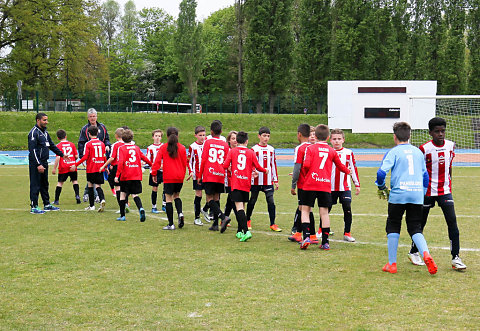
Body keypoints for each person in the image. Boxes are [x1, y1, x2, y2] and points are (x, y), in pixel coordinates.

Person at [376, 122, 437, 275]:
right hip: (416, 193)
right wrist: (421, 192)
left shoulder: (393, 152)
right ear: (409, 136)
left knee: (393, 225)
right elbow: (425, 176)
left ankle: (392, 264)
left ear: (394, 136)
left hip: (398, 194)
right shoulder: (417, 152)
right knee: (415, 227)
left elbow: (381, 173)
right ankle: (426, 254)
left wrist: (382, 187)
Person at [408, 117, 467, 270]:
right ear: (430, 133)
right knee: (421, 222)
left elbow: (449, 166)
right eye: (437, 131)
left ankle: (456, 258)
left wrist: (450, 184)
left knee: (452, 222)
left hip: (445, 191)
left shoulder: (450, 146)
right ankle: (414, 251)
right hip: (427, 191)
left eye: (442, 131)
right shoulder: (424, 149)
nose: (440, 134)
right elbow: (419, 170)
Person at [298, 124, 351, 250]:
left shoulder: (310, 149)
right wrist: (347, 171)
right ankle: (325, 242)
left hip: (310, 184)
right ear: (328, 137)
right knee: (324, 213)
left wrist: (307, 175)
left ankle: (306, 237)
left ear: (315, 136)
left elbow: (305, 165)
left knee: (305, 210)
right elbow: (340, 165)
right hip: (325, 185)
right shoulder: (332, 151)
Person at [222, 131, 268, 241]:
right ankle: (239, 231)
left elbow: (224, 165)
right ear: (247, 141)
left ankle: (246, 231)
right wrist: (265, 170)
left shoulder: (233, 151)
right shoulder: (250, 152)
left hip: (236, 183)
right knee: (242, 207)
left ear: (237, 141)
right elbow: (258, 167)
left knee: (239, 208)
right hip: (246, 183)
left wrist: (229, 167)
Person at [28, 113, 68, 214]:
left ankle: (47, 204)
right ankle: (34, 206)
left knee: (44, 184)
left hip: (44, 163)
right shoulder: (33, 133)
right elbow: (32, 151)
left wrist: (62, 154)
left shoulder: (45, 133)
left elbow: (52, 145)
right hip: (36, 164)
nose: (46, 122)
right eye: (44, 120)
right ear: (38, 120)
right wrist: (38, 164)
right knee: (35, 185)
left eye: (47, 120)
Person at [246, 126, 281, 232]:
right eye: (264, 136)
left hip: (268, 181)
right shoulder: (254, 149)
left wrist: (276, 180)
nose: (266, 138)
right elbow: (250, 164)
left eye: (268, 136)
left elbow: (273, 165)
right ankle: (248, 220)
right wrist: (253, 172)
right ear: (259, 136)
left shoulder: (271, 149)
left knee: (271, 201)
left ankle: (272, 223)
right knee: (252, 200)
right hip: (256, 181)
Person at [152, 127, 188, 230]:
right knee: (177, 196)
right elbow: (184, 163)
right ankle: (180, 213)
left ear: (167, 136)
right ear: (178, 136)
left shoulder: (164, 147)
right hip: (179, 177)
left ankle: (171, 224)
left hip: (169, 177)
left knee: (168, 199)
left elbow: (157, 161)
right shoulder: (181, 148)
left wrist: (154, 173)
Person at [198, 120, 231, 231]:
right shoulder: (225, 144)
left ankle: (223, 217)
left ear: (211, 132)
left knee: (209, 199)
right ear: (221, 131)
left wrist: (199, 175)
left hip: (209, 173)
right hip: (220, 174)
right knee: (217, 198)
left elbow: (203, 160)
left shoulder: (207, 142)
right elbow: (227, 162)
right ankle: (215, 224)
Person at [329, 128, 360, 242]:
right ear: (330, 140)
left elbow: (353, 168)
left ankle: (347, 233)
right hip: (330, 186)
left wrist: (357, 184)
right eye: (334, 139)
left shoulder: (348, 153)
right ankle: (321, 230)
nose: (336, 141)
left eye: (339, 139)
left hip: (345, 186)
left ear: (343, 140)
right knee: (326, 209)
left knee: (347, 208)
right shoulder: (328, 151)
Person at [114, 129, 152, 222]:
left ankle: (122, 216)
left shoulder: (121, 148)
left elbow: (121, 162)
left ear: (122, 138)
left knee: (122, 195)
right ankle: (141, 208)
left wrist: (117, 175)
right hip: (136, 175)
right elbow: (144, 158)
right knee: (135, 194)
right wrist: (152, 165)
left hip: (126, 175)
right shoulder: (136, 148)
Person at [289, 124, 317, 244]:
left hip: (304, 183)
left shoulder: (299, 148)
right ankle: (301, 234)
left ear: (299, 134)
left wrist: (293, 185)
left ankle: (310, 236)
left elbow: (297, 168)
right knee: (305, 208)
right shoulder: (313, 147)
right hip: (315, 181)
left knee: (304, 209)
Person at [78, 108, 110, 202]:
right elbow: (81, 143)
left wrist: (107, 145)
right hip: (90, 157)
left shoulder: (102, 127)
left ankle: (87, 193)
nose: (92, 118)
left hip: (100, 156)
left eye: (94, 116)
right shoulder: (84, 129)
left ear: (97, 116)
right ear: (88, 118)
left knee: (94, 176)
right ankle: (96, 196)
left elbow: (107, 139)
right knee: (93, 176)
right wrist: (82, 157)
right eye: (91, 116)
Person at [71, 126, 107, 212]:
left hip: (91, 168)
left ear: (89, 133)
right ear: (98, 133)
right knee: (98, 186)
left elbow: (85, 157)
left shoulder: (88, 144)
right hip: (100, 167)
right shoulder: (102, 143)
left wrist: (75, 164)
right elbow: (104, 156)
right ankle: (102, 199)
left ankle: (92, 206)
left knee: (90, 185)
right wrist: (105, 166)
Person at [187, 126, 209, 226]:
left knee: (210, 195)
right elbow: (189, 161)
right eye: (200, 135)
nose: (202, 137)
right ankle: (197, 218)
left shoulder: (208, 144)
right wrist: (191, 171)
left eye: (204, 135)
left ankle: (205, 210)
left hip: (208, 174)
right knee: (199, 194)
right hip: (197, 175)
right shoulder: (193, 147)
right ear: (195, 135)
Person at [99, 128, 125, 213]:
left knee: (117, 186)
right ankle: (126, 204)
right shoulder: (127, 144)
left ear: (116, 136)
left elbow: (112, 157)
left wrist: (104, 166)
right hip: (126, 167)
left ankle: (122, 207)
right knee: (124, 186)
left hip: (117, 167)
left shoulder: (115, 145)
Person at [51, 129, 80, 205]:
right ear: (66, 136)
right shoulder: (72, 144)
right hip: (72, 165)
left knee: (60, 183)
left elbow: (58, 157)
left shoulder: (58, 146)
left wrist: (54, 168)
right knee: (74, 181)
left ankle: (56, 200)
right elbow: (76, 156)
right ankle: (77, 196)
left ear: (58, 138)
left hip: (63, 166)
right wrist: (73, 160)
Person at [146, 129, 165, 214]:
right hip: (155, 171)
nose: (157, 138)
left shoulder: (164, 146)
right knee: (155, 188)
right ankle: (154, 206)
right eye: (156, 136)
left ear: (161, 137)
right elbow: (148, 159)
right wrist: (154, 166)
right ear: (153, 137)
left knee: (166, 187)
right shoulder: (150, 148)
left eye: (159, 136)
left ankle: (164, 204)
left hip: (164, 170)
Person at [223, 131, 238, 221]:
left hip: (237, 178)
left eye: (236, 138)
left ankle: (224, 217)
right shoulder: (227, 151)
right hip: (228, 179)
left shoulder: (240, 150)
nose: (235, 141)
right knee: (233, 198)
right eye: (233, 139)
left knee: (231, 199)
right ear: (229, 140)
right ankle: (240, 220)